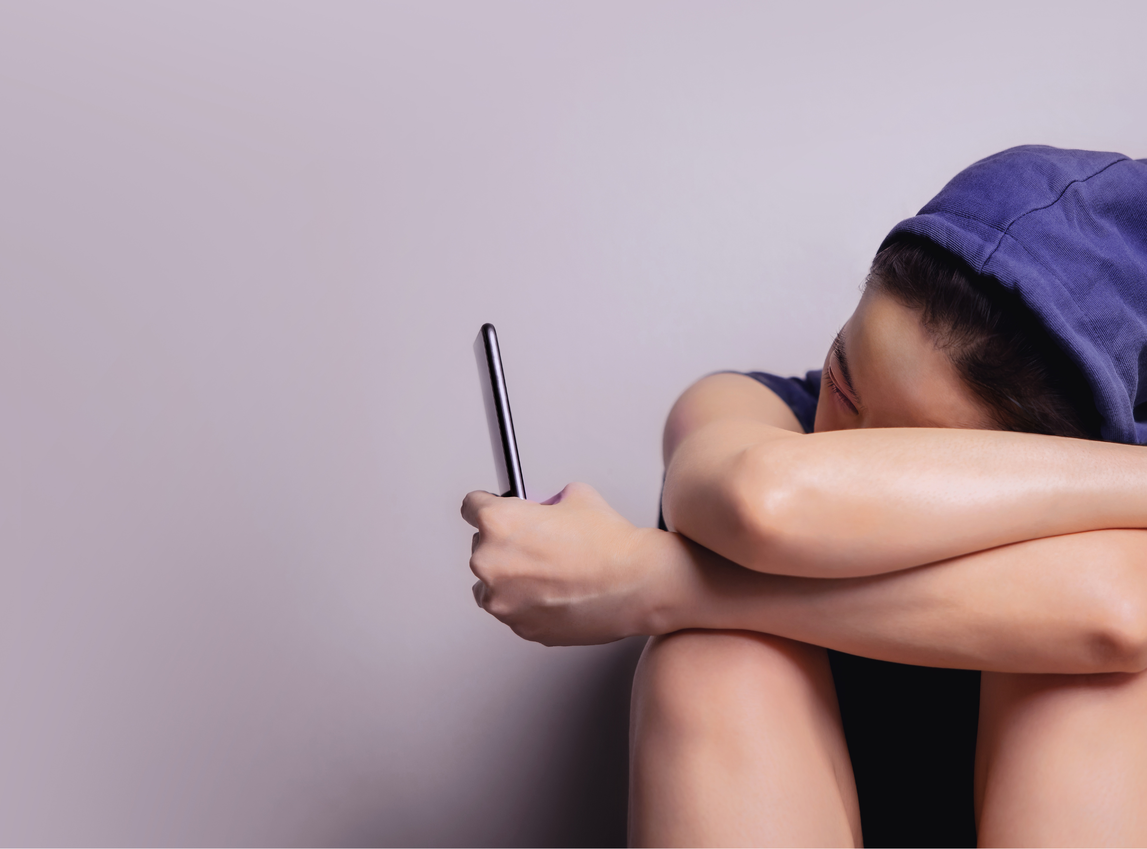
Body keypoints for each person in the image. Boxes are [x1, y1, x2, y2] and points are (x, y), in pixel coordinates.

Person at [461, 145, 1147, 847]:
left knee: (1090, 685)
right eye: (844, 383)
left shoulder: (1110, 527)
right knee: (710, 661)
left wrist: (650, 578)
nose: (839, 447)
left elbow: (1119, 616)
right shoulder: (751, 412)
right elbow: (761, 500)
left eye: (910, 460)